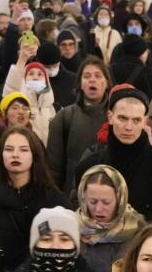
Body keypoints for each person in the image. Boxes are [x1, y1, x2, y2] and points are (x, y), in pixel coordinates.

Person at [70, 82, 152, 223]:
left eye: (136, 120)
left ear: (145, 121)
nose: (128, 127)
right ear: (110, 117)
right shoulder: (88, 167)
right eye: (122, 118)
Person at [0, 125, 69, 272]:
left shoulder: (52, 199)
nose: (15, 155)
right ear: (1, 154)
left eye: (23, 150)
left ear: (34, 155)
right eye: (9, 149)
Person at [47, 57, 111, 194]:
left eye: (98, 76)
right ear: (80, 84)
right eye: (87, 76)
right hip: (71, 197)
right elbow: (53, 169)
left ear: (107, 82)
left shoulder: (116, 118)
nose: (92, 80)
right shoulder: (64, 117)